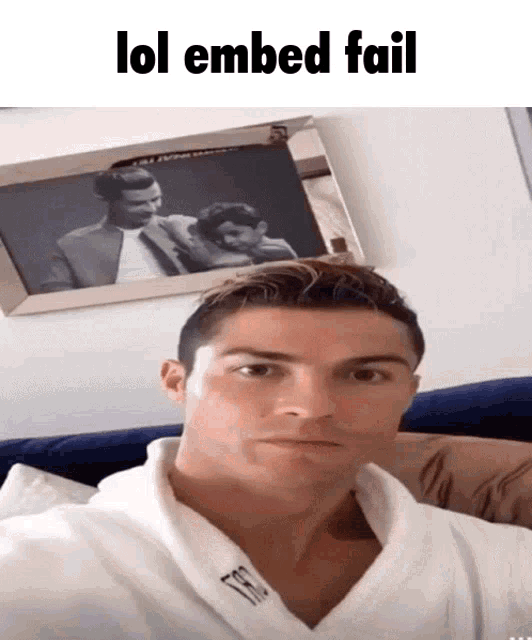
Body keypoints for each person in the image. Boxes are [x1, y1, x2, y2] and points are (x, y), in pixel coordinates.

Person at [2, 258, 532, 639]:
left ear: (408, 395)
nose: (312, 407)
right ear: (177, 382)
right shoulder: (28, 570)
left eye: (365, 374)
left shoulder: (504, 566)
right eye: (257, 370)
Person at [39, 168, 252, 292]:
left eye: (156, 198)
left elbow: (240, 270)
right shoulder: (72, 244)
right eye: (138, 203)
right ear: (110, 201)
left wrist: (188, 241)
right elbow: (57, 296)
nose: (152, 208)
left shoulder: (184, 226)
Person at [196, 202, 298, 264]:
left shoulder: (276, 248)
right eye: (221, 237)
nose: (227, 241)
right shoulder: (247, 249)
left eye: (234, 233)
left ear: (261, 228)